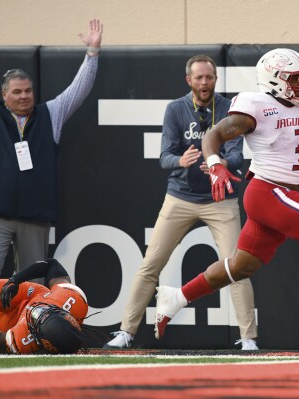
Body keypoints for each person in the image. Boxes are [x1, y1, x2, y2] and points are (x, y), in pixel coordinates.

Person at [153, 48, 299, 343]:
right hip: (267, 191)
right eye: (296, 78)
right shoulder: (257, 106)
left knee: (241, 266)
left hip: (284, 193)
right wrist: (215, 165)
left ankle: (176, 297)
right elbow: (212, 135)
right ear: (274, 80)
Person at [103, 55, 258, 350]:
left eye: (209, 77)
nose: (204, 82)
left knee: (237, 267)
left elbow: (239, 155)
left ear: (216, 79)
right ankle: (126, 332)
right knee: (150, 264)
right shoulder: (176, 108)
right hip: (181, 197)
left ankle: (248, 338)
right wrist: (181, 160)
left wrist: (220, 161)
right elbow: (165, 157)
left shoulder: (228, 109)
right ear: (188, 80)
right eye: (198, 78)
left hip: (220, 199)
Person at [0, 19, 103, 283]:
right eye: (17, 92)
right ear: (4, 95)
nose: (24, 96)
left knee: (32, 286)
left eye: (28, 91)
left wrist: (93, 53)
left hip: (34, 216)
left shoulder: (50, 114)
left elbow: (78, 90)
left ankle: (27, 326)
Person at [0, 258, 88, 354]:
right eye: (46, 310)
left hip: (14, 324)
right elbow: (51, 264)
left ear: (42, 341)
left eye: (37, 319)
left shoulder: (24, 341)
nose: (36, 310)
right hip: (27, 295)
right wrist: (16, 280)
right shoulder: (71, 299)